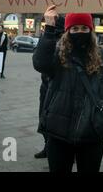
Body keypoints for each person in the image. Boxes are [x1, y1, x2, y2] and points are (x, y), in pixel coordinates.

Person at [33, 5, 103, 172]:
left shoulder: (101, 56)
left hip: (91, 133)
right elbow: (40, 63)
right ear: (67, 31)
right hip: (59, 133)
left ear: (90, 31)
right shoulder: (58, 54)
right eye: (75, 28)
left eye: (84, 28)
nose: (80, 32)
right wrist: (49, 28)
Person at [34, 16, 65, 159]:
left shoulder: (62, 42)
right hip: (45, 84)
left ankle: (56, 148)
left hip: (57, 86)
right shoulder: (47, 37)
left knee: (55, 118)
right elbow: (38, 60)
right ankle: (48, 146)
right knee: (44, 116)